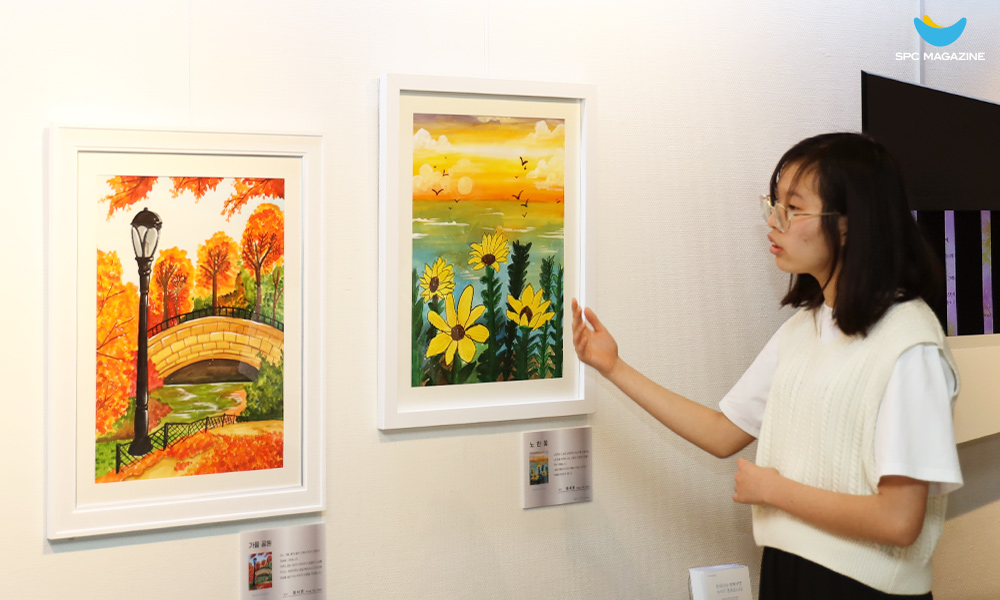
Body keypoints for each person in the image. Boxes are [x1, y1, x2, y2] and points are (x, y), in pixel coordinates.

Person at [572, 133, 961, 599]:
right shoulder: (803, 329)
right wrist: (614, 367)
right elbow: (722, 432)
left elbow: (899, 520)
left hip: (863, 587)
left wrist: (775, 491)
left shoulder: (909, 344)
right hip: (787, 568)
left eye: (793, 208)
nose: (773, 222)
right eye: (774, 205)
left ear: (848, 224)